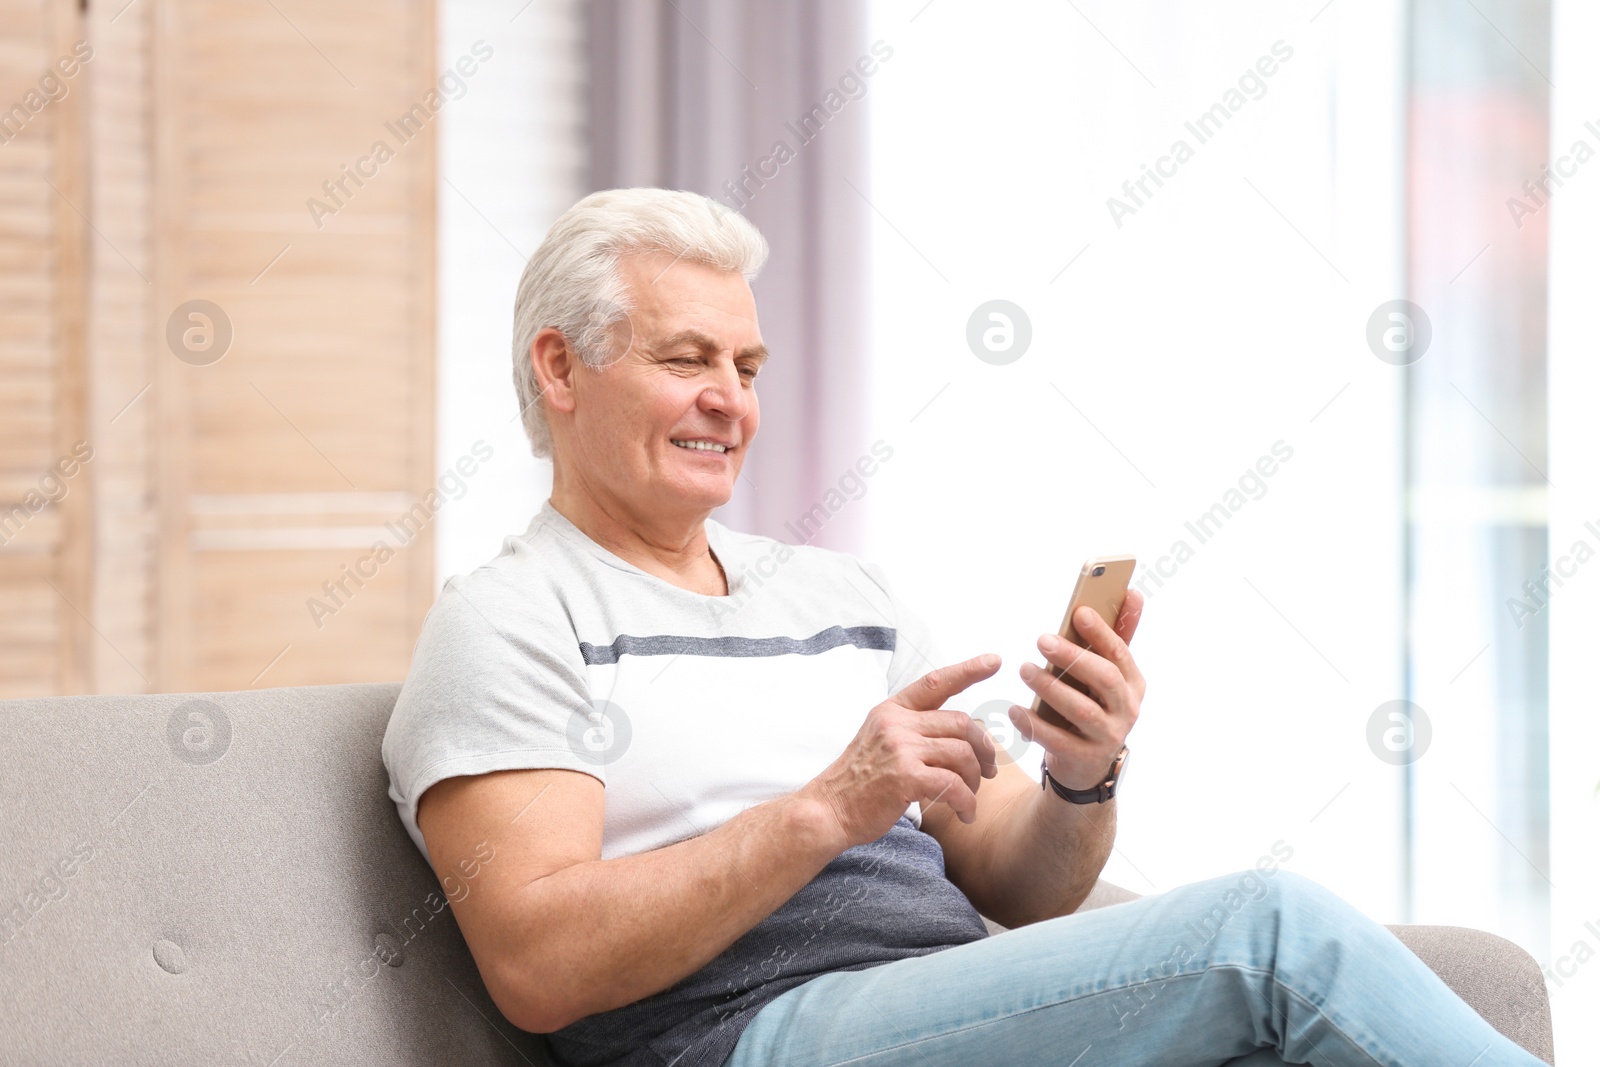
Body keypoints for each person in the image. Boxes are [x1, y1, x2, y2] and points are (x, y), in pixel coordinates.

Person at [381, 188, 1546, 1067]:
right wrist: (826, 809)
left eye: (745, 363)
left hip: (951, 994)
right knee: (1264, 926)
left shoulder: (840, 596)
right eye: (684, 359)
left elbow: (1016, 878)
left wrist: (1081, 777)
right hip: (747, 1034)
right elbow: (538, 962)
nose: (728, 398)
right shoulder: (511, 620)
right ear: (560, 368)